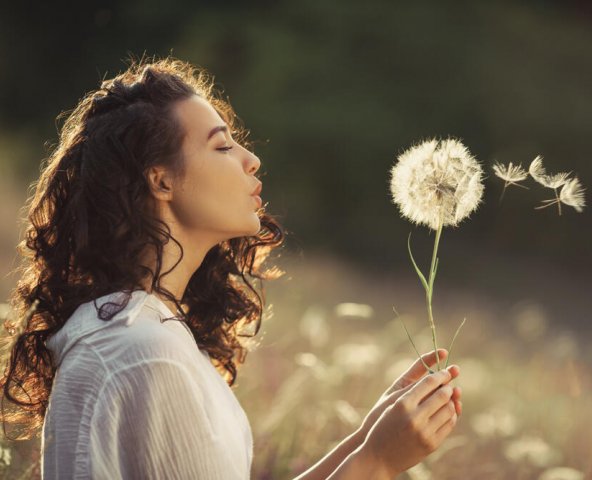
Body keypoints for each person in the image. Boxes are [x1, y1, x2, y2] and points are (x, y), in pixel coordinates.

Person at [1, 55, 462, 479]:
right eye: (222, 147)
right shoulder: (145, 352)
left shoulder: (149, 331)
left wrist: (365, 439)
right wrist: (377, 463)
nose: (251, 160)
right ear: (161, 181)